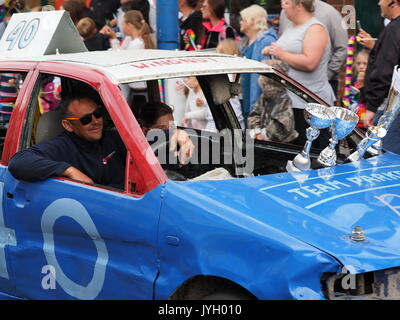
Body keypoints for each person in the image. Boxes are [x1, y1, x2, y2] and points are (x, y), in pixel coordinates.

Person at [8, 93, 194, 188]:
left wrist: (177, 134)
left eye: (98, 114)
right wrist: (69, 170)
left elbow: (145, 141)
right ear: (68, 125)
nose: (95, 121)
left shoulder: (112, 137)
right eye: (86, 119)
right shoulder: (61, 147)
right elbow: (17, 162)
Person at [262, 0, 335, 146]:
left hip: (308, 105)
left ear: (299, 5)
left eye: (287, 2)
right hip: (286, 104)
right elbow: (288, 55)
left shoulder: (315, 29)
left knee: (306, 155)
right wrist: (271, 52)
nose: (282, 5)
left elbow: (310, 63)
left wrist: (280, 53)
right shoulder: (290, 26)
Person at [278, 0, 348, 97]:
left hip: (318, 87)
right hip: (289, 88)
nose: (283, 5)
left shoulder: (329, 13)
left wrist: (328, 74)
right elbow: (283, 43)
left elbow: (342, 47)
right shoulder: (285, 13)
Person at [362, 0, 400, 154]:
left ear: (394, 2)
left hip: (392, 108)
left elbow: (385, 70)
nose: (379, 3)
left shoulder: (394, 30)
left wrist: (371, 107)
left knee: (385, 158)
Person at [238, 4, 277, 119]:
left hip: (259, 106)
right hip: (245, 99)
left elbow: (265, 79)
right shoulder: (245, 42)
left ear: (252, 21)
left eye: (243, 19)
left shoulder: (266, 41)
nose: (240, 22)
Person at [247, 60, 298, 143]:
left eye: (262, 76)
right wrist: (256, 132)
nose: (259, 79)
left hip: (278, 145)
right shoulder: (264, 96)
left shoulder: (283, 100)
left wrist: (263, 135)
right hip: (261, 140)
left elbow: (282, 126)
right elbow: (254, 114)